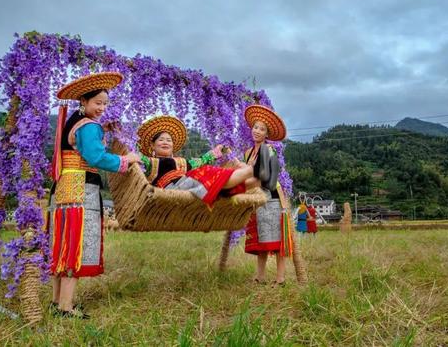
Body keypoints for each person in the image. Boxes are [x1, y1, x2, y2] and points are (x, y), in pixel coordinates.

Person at [48, 72, 141, 319]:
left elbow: (84, 148)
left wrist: (104, 131)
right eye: (97, 103)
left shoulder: (74, 122)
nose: (102, 108)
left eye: (105, 104)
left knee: (63, 244)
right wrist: (126, 159)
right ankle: (66, 307)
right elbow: (96, 157)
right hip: (80, 189)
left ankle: (57, 302)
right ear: (84, 102)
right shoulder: (88, 126)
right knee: (75, 244)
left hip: (64, 187)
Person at [136, 116, 265, 208]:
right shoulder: (149, 162)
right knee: (208, 172)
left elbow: (200, 161)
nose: (165, 142)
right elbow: (135, 162)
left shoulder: (180, 161)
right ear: (152, 145)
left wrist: (215, 152)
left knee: (220, 187)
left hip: (190, 185)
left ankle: (258, 178)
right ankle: (251, 170)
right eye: (161, 140)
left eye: (169, 140)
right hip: (171, 190)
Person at [243, 104, 293, 286]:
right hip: (256, 199)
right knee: (261, 240)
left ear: (266, 134)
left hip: (270, 198)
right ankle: (260, 276)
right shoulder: (248, 153)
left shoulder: (268, 150)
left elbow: (264, 177)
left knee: (275, 239)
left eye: (262, 129)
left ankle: (280, 278)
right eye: (255, 127)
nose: (257, 131)